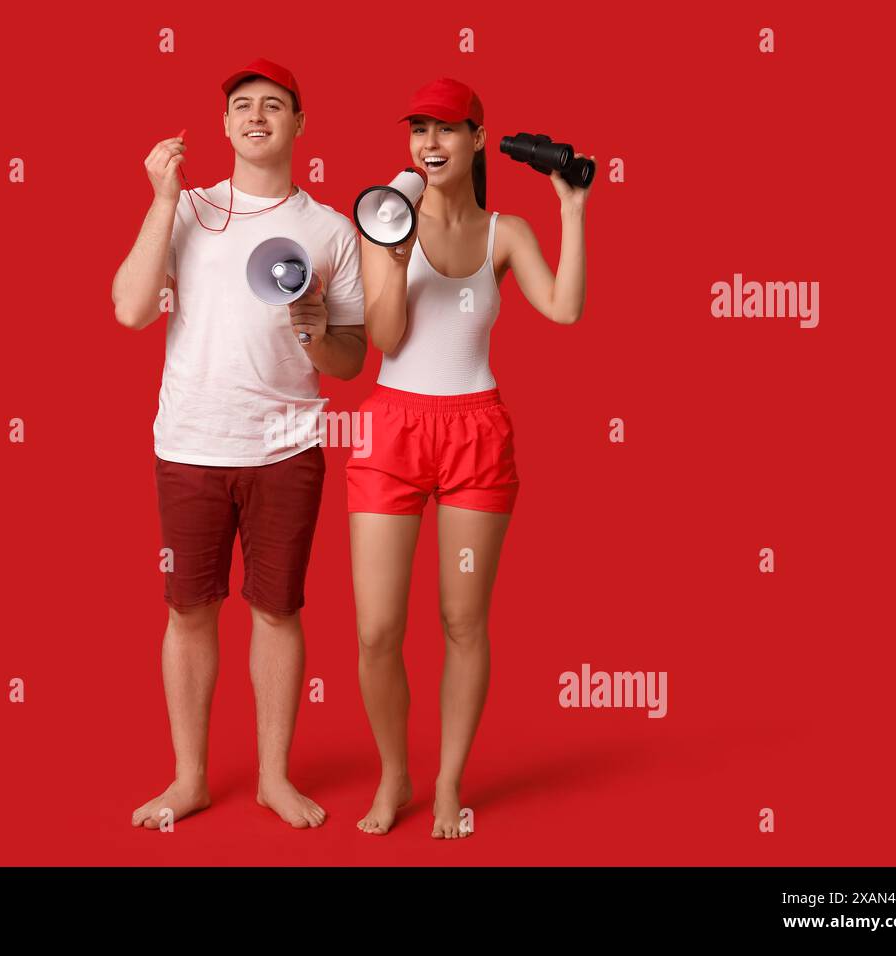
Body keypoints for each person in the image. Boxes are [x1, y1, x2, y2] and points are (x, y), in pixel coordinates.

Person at [111, 58, 368, 829]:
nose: (257, 116)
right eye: (243, 106)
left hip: (287, 448)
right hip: (191, 443)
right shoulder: (186, 209)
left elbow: (351, 362)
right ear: (224, 126)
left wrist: (320, 335)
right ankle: (189, 778)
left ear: (299, 126)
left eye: (276, 106)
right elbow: (129, 309)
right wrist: (161, 200)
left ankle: (273, 778)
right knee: (188, 609)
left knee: (279, 610)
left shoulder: (330, 230)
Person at [346, 77, 591, 838]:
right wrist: (391, 253)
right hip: (392, 427)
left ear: (479, 139)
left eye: (447, 129)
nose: (430, 143)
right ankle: (395, 776)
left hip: (476, 432)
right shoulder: (386, 219)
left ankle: (449, 781)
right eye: (418, 129)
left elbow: (565, 308)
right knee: (377, 630)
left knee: (462, 621)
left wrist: (572, 210)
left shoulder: (505, 232)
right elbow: (383, 340)